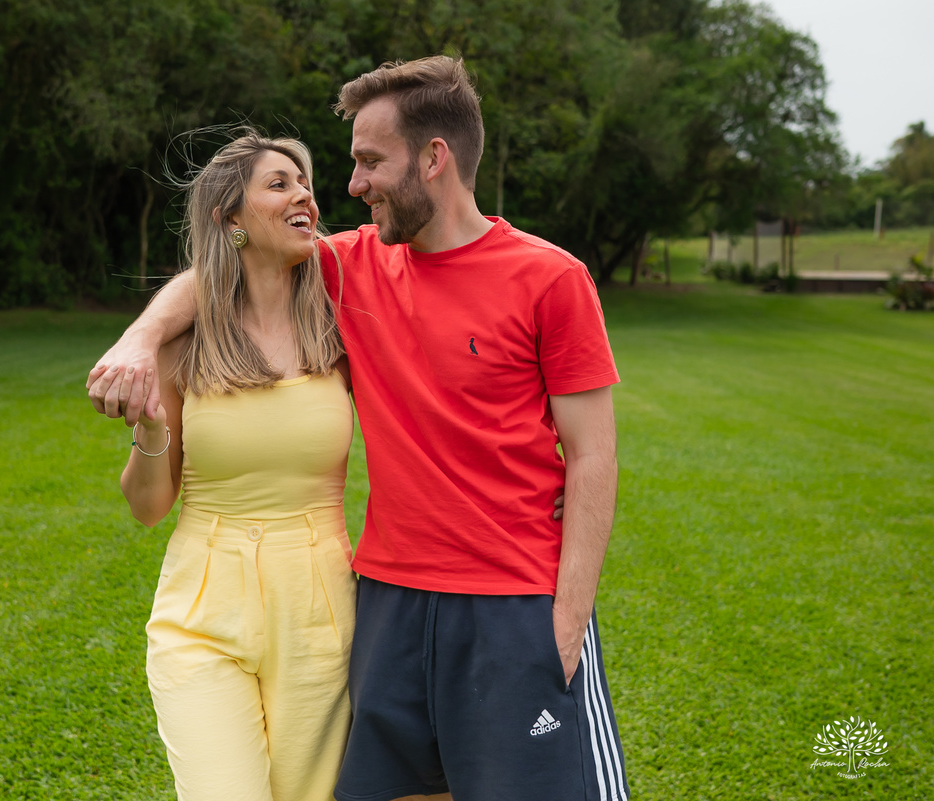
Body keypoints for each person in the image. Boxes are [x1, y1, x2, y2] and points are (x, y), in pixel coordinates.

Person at [93, 56, 628, 801]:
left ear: (433, 158)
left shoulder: (552, 278)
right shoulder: (351, 267)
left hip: (512, 603)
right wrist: (142, 339)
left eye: (370, 161)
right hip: (388, 602)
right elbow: (224, 269)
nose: (351, 185)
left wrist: (566, 621)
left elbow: (594, 454)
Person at [118, 132, 358, 801]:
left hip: (320, 608)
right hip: (202, 606)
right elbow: (146, 506)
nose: (304, 193)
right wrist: (150, 429)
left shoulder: (342, 329)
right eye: (279, 183)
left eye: (304, 182)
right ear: (231, 218)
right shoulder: (184, 345)